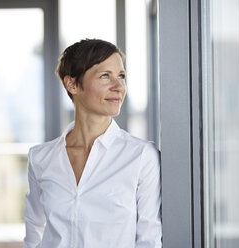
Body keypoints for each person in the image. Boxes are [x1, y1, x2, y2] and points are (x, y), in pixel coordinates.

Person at [23, 39, 162, 248]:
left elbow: (149, 241)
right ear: (72, 84)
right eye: (105, 76)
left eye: (121, 76)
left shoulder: (142, 156)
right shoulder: (40, 158)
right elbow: (34, 229)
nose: (119, 87)